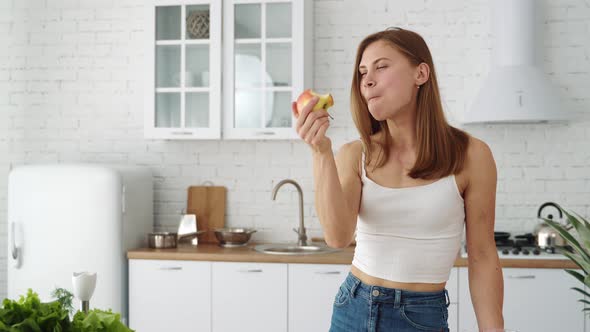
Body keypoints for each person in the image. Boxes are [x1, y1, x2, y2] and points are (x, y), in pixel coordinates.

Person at [292, 27, 504, 332]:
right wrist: (320, 153)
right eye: (363, 72)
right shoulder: (354, 154)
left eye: (381, 66)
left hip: (421, 317)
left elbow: (482, 256)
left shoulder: (472, 156)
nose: (367, 80)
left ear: (420, 74)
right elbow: (337, 237)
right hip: (353, 307)